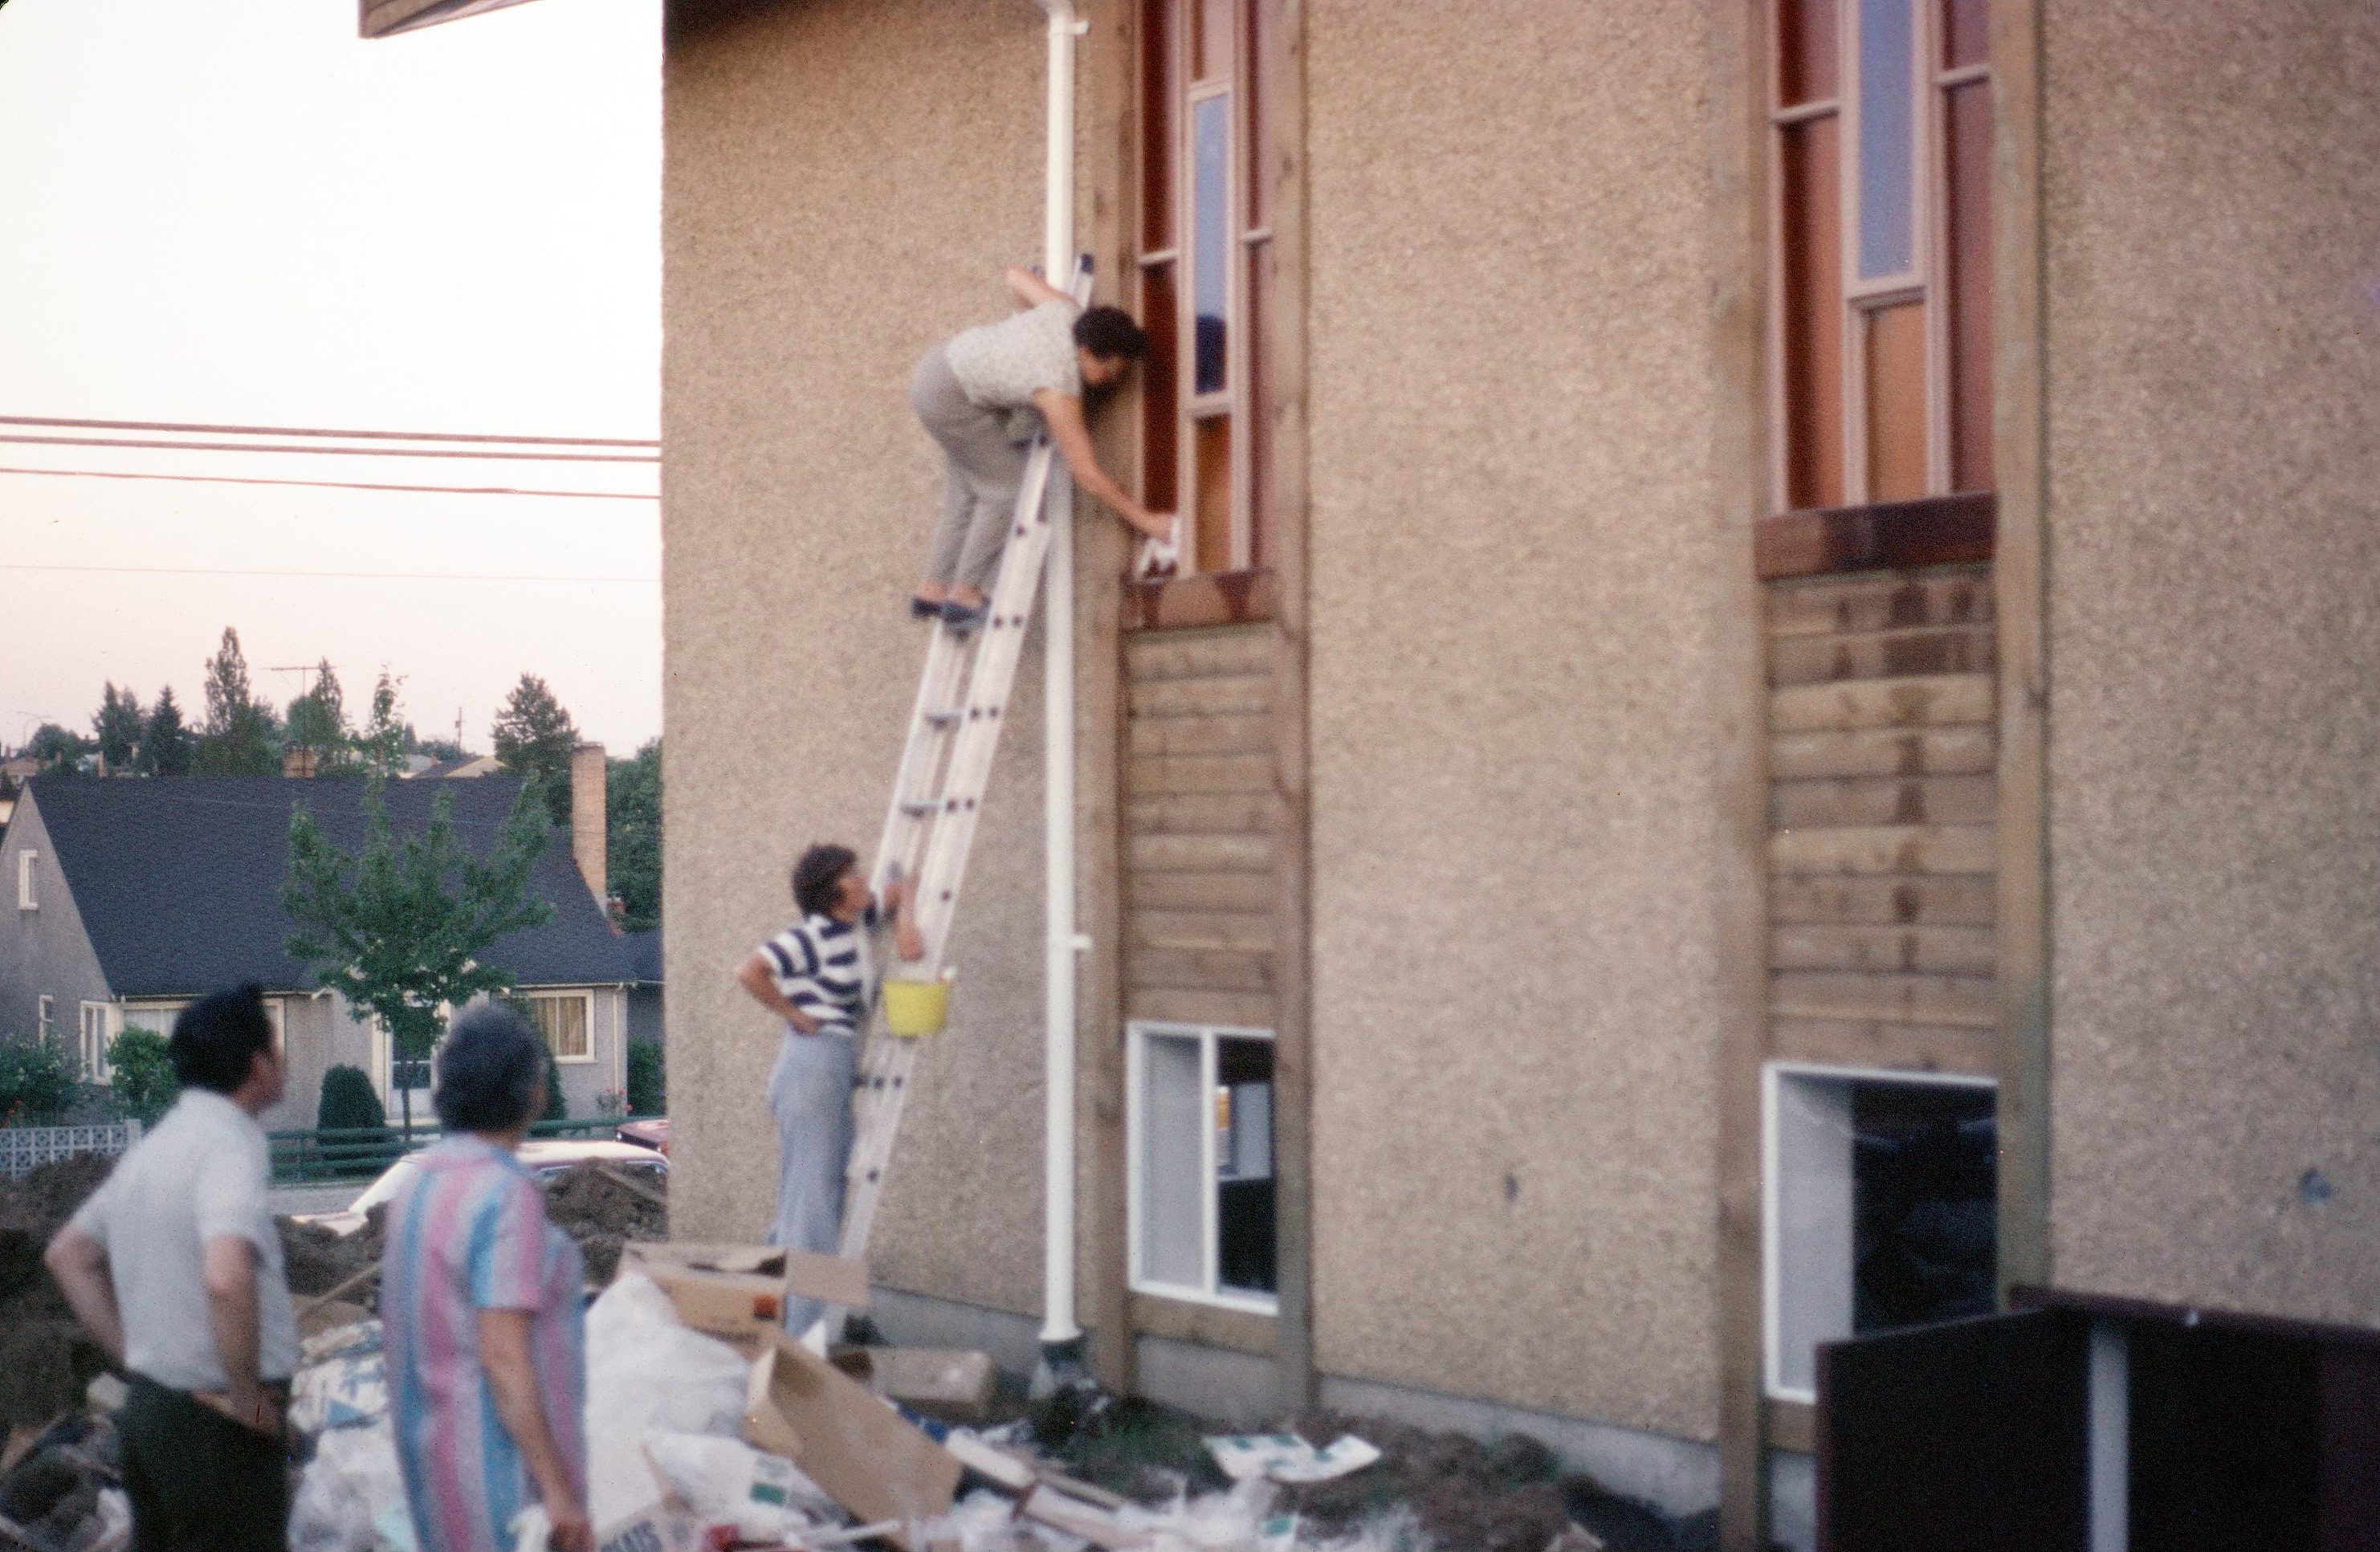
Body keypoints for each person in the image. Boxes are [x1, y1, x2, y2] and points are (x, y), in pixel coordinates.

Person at [43, 984, 297, 1552]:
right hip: (219, 1424)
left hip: (151, 1413)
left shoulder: (154, 1150)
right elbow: (226, 1276)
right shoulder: (228, 1146)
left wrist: (137, 1359)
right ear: (258, 1063)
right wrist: (247, 1396)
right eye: (276, 1048)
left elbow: (68, 1256)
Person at [381, 1005, 592, 1552]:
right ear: (533, 1094)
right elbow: (503, 1357)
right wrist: (558, 1490)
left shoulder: (416, 1185)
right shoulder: (505, 1193)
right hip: (505, 1487)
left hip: (434, 1473)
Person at [909, 266, 1177, 629]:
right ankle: (965, 594)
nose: (1113, 380)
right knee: (1006, 489)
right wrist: (1147, 521)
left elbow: (1015, 277)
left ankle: (932, 589)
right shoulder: (1058, 382)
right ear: (1087, 352)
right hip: (952, 398)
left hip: (938, 368)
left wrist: (1023, 333)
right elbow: (1086, 473)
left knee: (966, 491)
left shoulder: (1067, 312)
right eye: (1113, 370)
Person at [736, 843, 925, 1334]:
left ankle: (774, 1322)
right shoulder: (812, 935)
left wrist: (905, 915)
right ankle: (802, 1337)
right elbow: (750, 971)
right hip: (812, 1067)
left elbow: (903, 895)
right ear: (829, 890)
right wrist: (793, 1013)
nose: (863, 879)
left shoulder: (855, 925)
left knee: (808, 1200)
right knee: (814, 1207)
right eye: (850, 875)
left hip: (829, 1068)